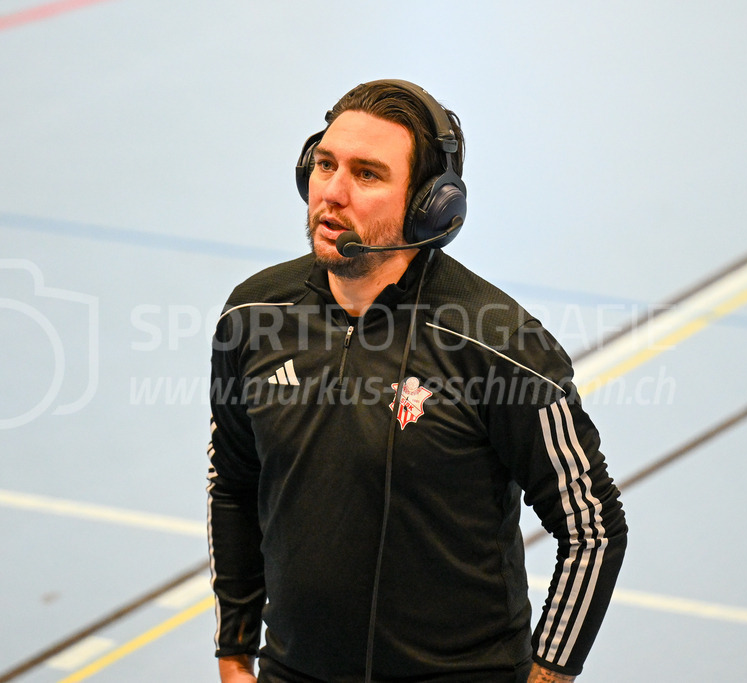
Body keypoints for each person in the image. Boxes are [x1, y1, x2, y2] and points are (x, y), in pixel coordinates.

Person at [207, 79, 627, 683]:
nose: (334, 193)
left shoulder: (498, 345)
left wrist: (549, 673)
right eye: (325, 165)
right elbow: (233, 482)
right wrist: (234, 651)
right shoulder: (251, 318)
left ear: (430, 205)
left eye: (368, 174)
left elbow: (592, 528)